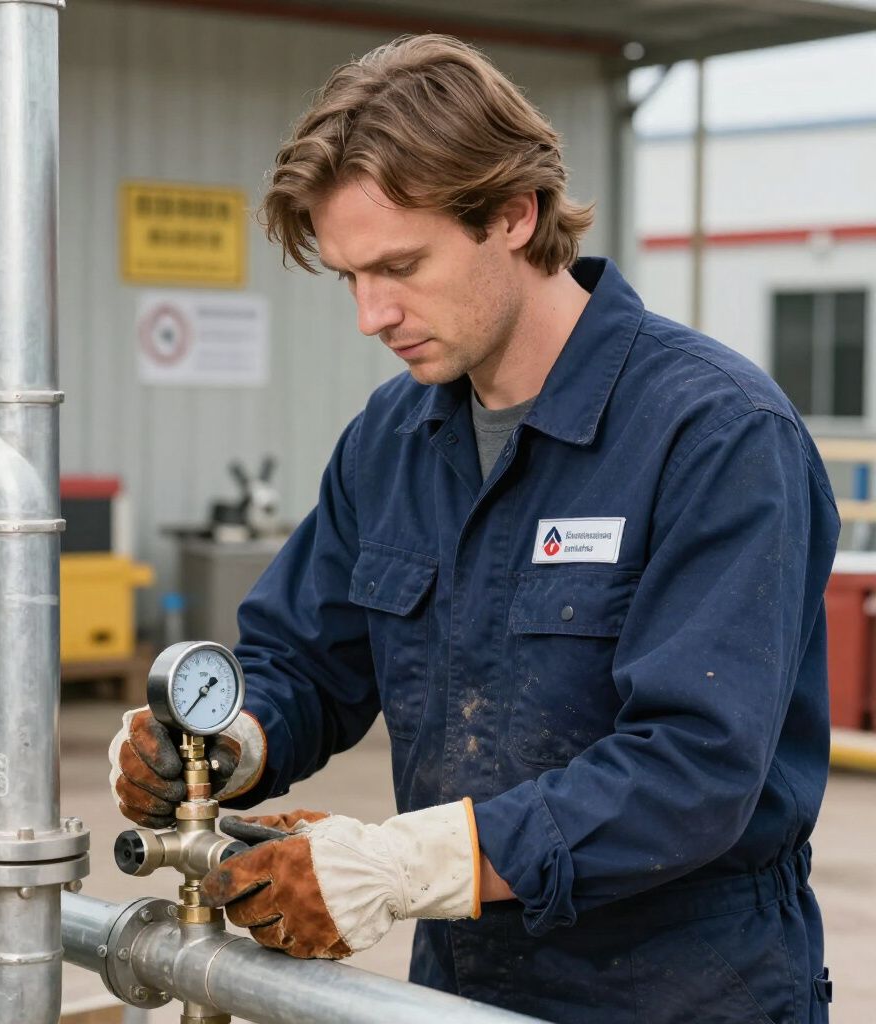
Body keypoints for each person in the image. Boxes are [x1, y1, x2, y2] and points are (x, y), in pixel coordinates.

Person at [108, 34, 839, 1024]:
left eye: (400, 266)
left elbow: (692, 766)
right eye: (349, 277)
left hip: (682, 989)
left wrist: (413, 858)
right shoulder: (393, 438)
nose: (372, 313)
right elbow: (308, 658)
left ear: (512, 213)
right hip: (463, 984)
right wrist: (231, 737)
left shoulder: (714, 435)